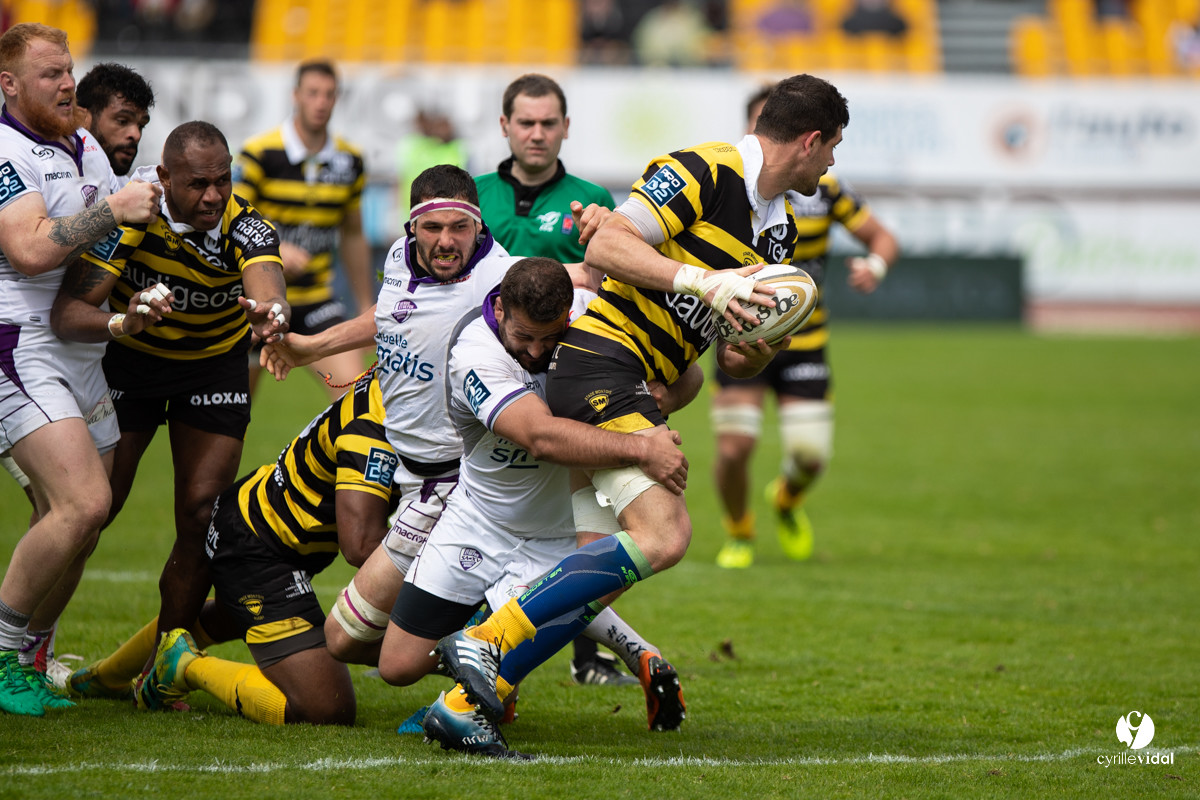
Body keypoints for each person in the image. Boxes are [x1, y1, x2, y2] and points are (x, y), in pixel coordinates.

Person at [429, 74, 852, 732]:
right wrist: (706, 282)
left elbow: (734, 357)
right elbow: (606, 245)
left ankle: (457, 706)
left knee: (601, 576)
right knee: (667, 534)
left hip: (637, 380)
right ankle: (485, 640)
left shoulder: (778, 236)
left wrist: (767, 339)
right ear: (810, 140)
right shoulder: (704, 170)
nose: (832, 166)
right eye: (833, 150)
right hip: (602, 359)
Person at [375, 258, 694, 758]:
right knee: (397, 665)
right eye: (524, 336)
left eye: (551, 337)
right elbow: (542, 438)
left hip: (557, 530)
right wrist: (640, 447)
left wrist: (659, 395)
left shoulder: (596, 318)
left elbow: (690, 373)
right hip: (478, 520)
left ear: (568, 313)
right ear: (500, 308)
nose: (537, 351)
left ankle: (473, 697)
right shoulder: (474, 352)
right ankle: (630, 653)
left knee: (546, 607)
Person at [50, 119, 288, 698]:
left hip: (212, 366)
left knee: (204, 514)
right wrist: (123, 321)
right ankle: (30, 645)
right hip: (131, 364)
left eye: (223, 181)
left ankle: (167, 659)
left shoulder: (246, 221)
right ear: (164, 178)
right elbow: (67, 312)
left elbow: (267, 280)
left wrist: (270, 312)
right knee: (93, 509)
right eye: (198, 184)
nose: (213, 196)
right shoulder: (133, 213)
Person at [0, 22, 161, 716]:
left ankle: (32, 658)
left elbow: (105, 245)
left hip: (80, 351)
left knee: (79, 520)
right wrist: (113, 210)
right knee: (84, 502)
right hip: (19, 342)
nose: (66, 84)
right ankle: (3, 653)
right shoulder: (7, 150)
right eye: (48, 75)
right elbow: (33, 252)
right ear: (9, 85)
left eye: (68, 71)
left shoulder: (85, 143)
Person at [126, 368, 397, 724]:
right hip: (258, 546)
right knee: (326, 707)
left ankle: (104, 677)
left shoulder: (403, 390)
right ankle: (183, 665)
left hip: (263, 520)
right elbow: (360, 545)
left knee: (230, 616)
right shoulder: (377, 425)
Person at [476, 73, 629, 686]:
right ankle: (473, 633)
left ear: (565, 127)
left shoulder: (592, 199)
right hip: (482, 387)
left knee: (583, 525)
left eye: (548, 123)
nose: (537, 133)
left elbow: (611, 279)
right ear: (505, 125)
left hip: (565, 388)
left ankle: (588, 655)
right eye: (526, 122)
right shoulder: (475, 195)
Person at [712, 84, 898, 569]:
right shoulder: (727, 187)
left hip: (805, 340)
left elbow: (881, 237)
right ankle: (740, 532)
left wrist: (873, 266)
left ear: (804, 140)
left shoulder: (826, 191)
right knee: (735, 448)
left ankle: (787, 500)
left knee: (810, 455)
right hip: (742, 334)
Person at [234, 59, 372, 398]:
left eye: (329, 94)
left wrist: (368, 305)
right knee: (231, 420)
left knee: (359, 400)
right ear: (295, 95)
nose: (321, 102)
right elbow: (231, 225)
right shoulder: (259, 154)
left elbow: (353, 234)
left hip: (315, 300)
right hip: (257, 303)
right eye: (313, 93)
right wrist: (274, 251)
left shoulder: (350, 160)